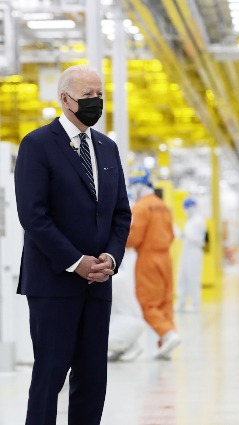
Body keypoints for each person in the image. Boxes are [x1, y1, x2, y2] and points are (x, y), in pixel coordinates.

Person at [14, 64, 131, 425]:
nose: (96, 102)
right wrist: (76, 261)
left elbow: (120, 214)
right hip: (54, 283)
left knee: (93, 379)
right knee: (50, 377)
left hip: (98, 284)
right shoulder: (37, 145)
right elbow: (33, 216)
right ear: (65, 99)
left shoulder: (107, 148)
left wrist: (109, 258)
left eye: (100, 95)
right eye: (88, 96)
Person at [126, 168, 180, 360]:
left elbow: (133, 238)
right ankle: (166, 340)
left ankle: (168, 334)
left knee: (147, 302)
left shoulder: (140, 208)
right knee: (165, 300)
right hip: (166, 258)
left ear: (138, 185)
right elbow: (172, 234)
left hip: (148, 259)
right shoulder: (163, 206)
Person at [176, 197, 207, 312]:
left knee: (193, 278)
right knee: (182, 277)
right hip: (186, 251)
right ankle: (181, 303)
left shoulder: (198, 221)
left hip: (194, 251)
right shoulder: (189, 221)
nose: (186, 211)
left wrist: (183, 235)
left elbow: (198, 239)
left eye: (187, 208)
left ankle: (195, 304)